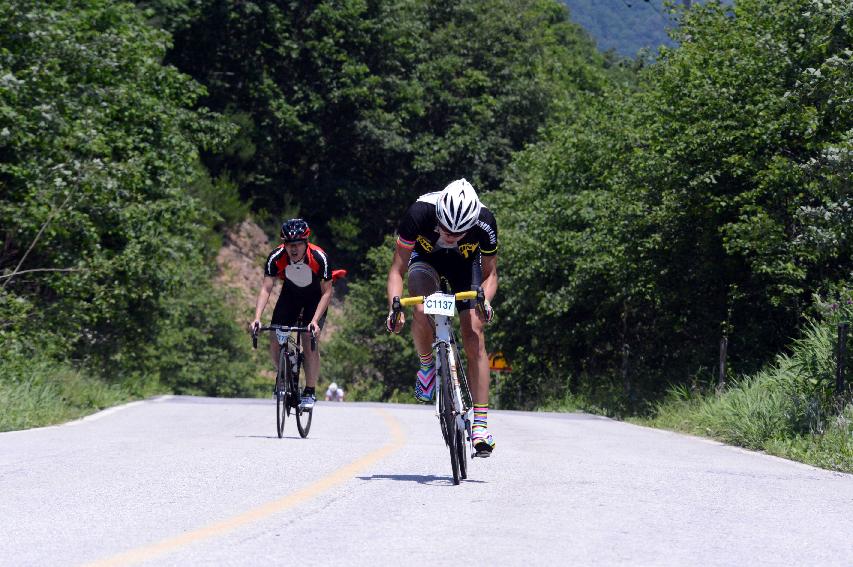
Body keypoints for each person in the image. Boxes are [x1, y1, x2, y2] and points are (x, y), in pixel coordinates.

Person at [386, 178, 498, 456]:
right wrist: (394, 307)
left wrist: (486, 303)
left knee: (474, 332)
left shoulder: (485, 221)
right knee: (421, 309)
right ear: (438, 216)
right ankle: (427, 367)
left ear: (471, 224)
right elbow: (396, 271)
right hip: (426, 261)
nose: (450, 236)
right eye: (446, 229)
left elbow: (490, 275)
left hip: (465, 266)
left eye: (458, 233)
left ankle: (480, 426)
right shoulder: (419, 213)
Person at [252, 218, 333, 410]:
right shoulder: (276, 257)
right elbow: (266, 288)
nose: (293, 249)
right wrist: (256, 317)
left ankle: (310, 391)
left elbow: (327, 292)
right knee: (275, 334)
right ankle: (283, 374)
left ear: (306, 243)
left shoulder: (320, 257)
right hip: (290, 296)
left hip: (315, 299)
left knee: (308, 336)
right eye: (289, 245)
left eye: (297, 244)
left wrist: (314, 321)